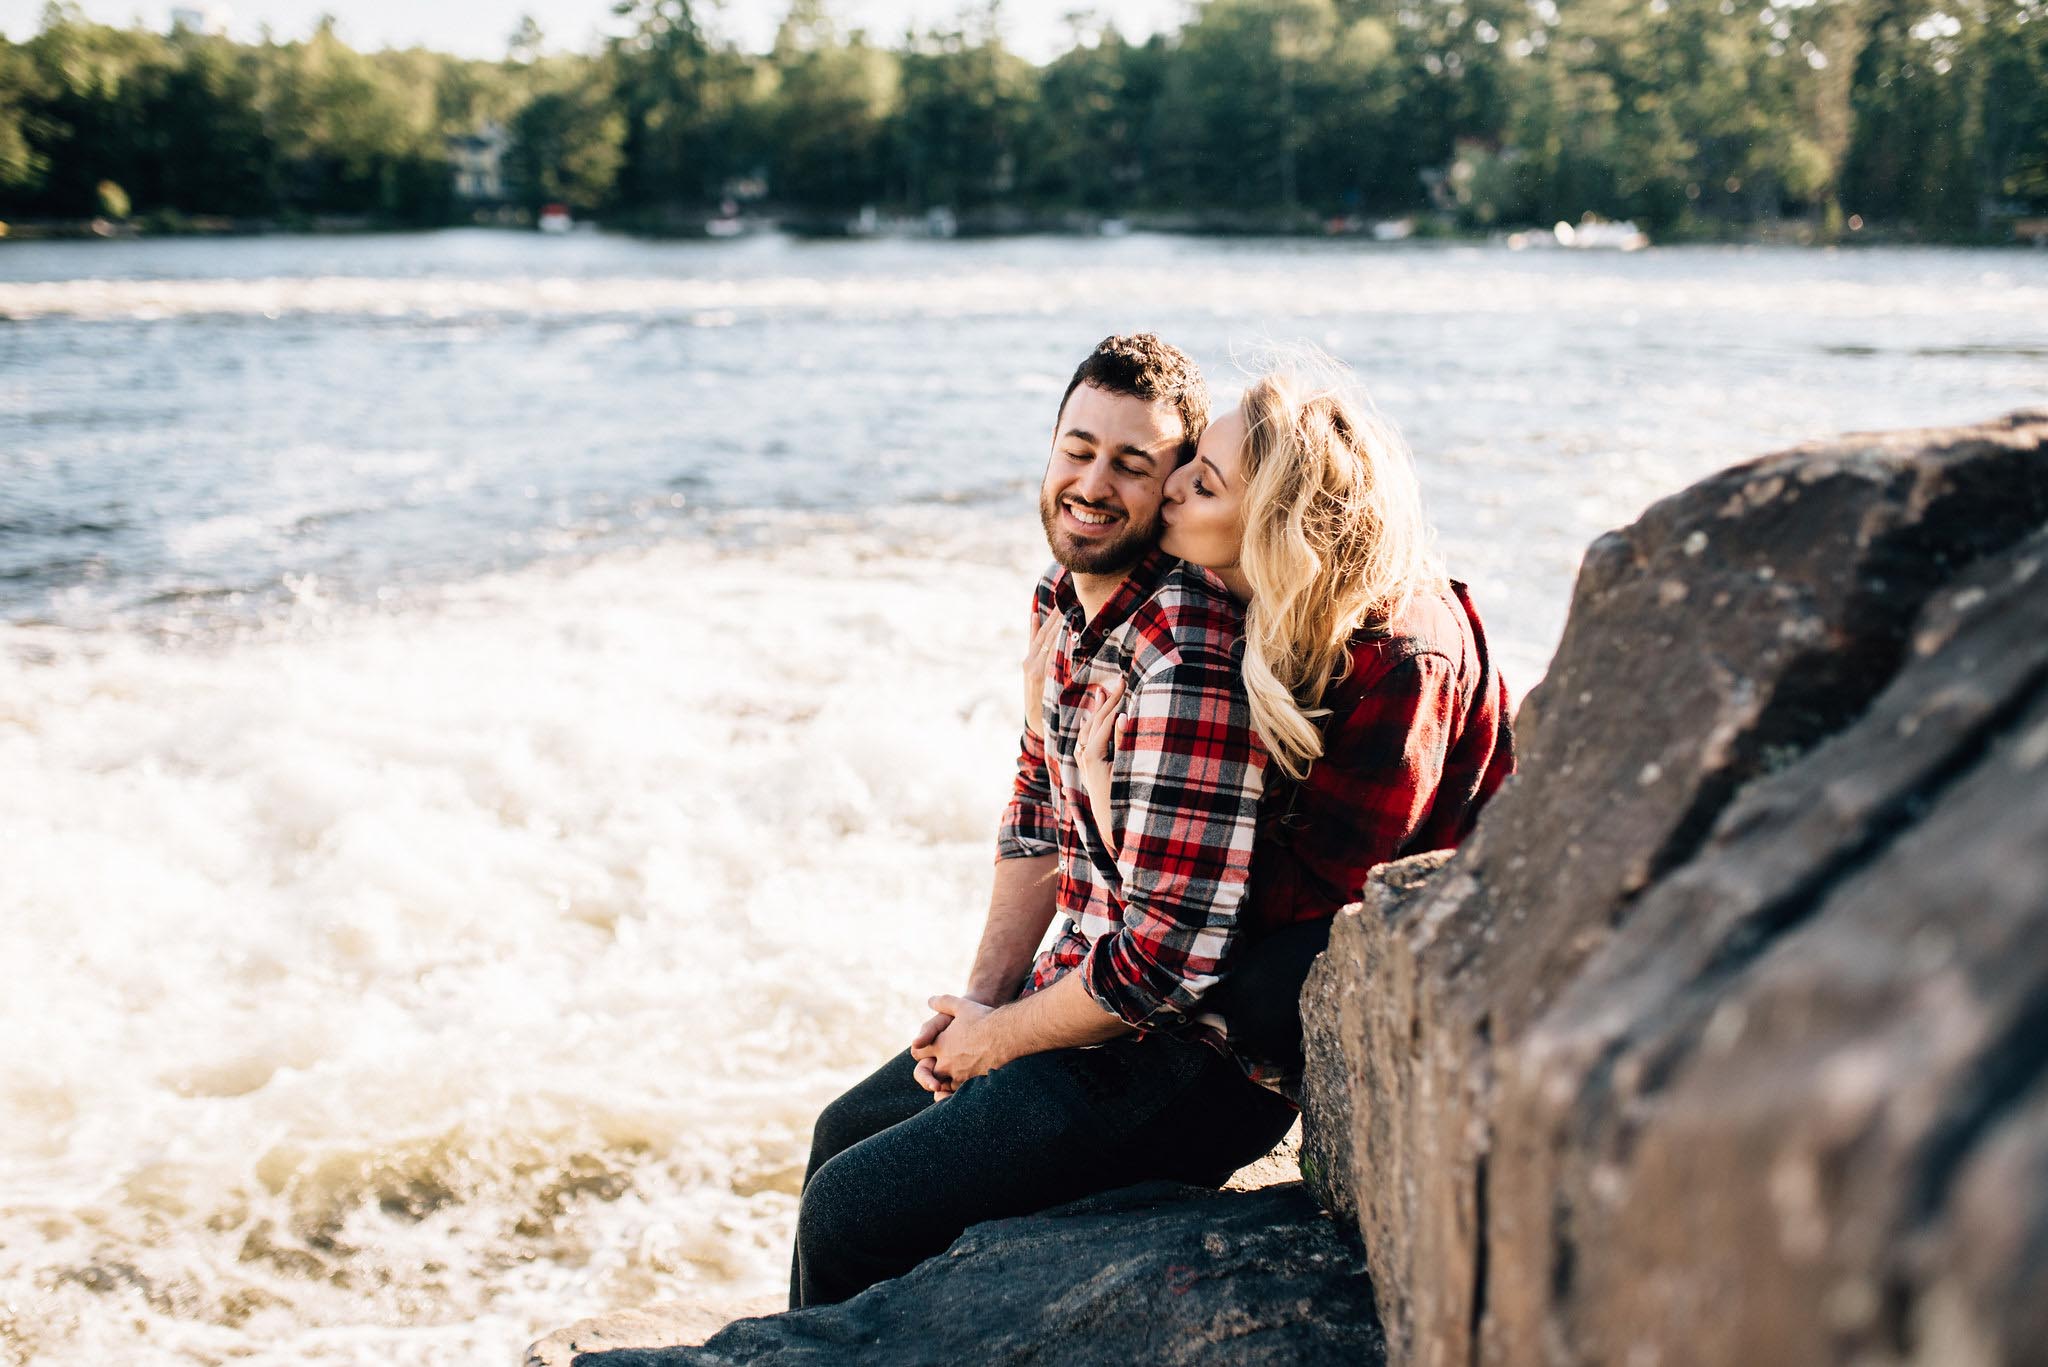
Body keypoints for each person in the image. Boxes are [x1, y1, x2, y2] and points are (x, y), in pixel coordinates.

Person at [789, 333, 1299, 1310]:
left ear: (1172, 487)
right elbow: (1034, 813)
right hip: (1082, 995)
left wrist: (1001, 1040)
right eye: (1077, 446)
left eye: (1130, 463)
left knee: (847, 1212)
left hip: (1171, 1060)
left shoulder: (1180, 657)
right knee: (839, 1135)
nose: (1091, 482)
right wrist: (976, 1006)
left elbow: (1161, 965)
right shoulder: (1065, 601)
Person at [1070, 350, 1515, 1087]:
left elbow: (1319, 896)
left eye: (1202, 482)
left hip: (1436, 928)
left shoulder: (1397, 664)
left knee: (1256, 996)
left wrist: (1115, 800)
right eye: (1188, 461)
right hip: (1314, 892)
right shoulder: (1260, 598)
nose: (1169, 487)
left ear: (1275, 530)